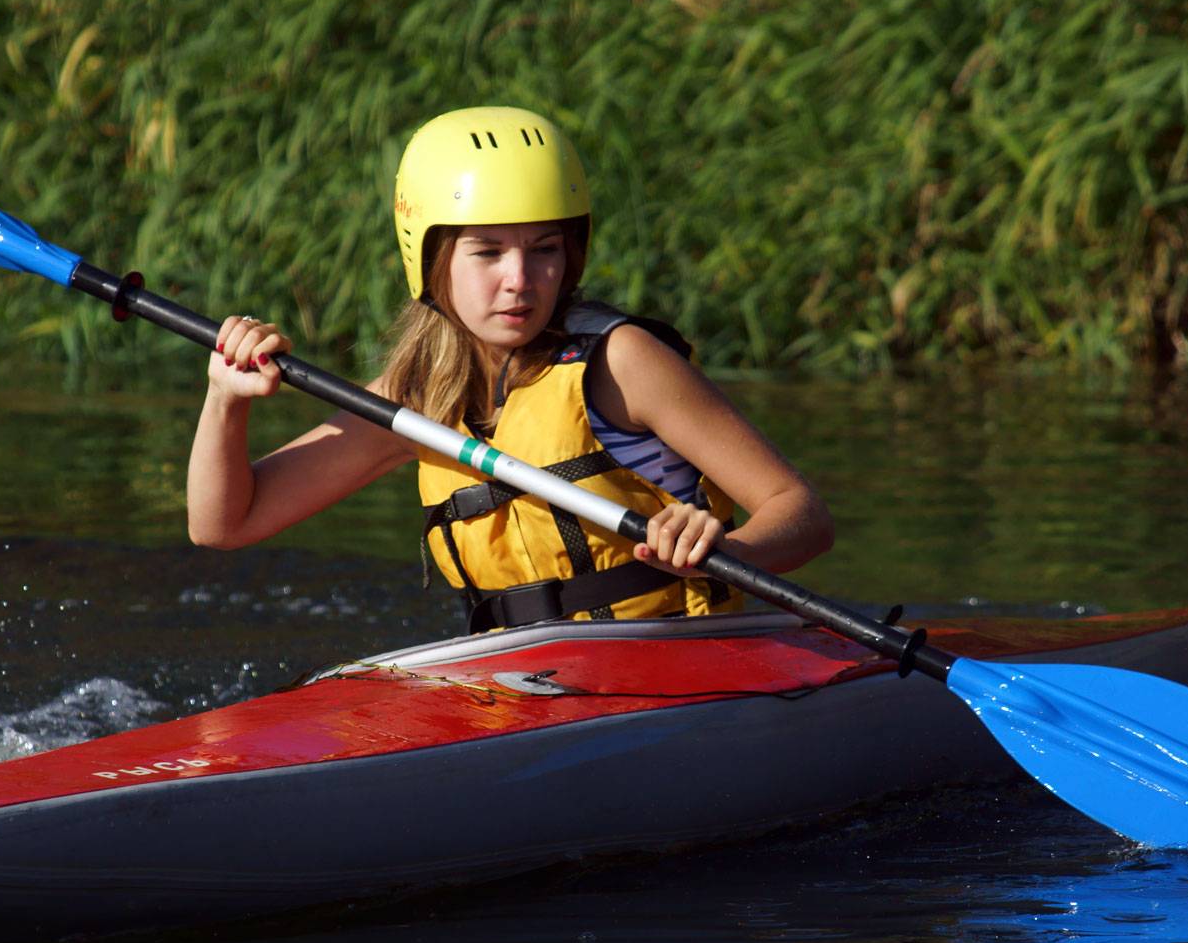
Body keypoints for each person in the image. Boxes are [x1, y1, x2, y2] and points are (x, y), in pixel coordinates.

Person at [187, 106, 832, 632]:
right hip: (521, 688)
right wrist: (226, 401)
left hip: (680, 665)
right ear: (433, 257)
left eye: (544, 249)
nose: (520, 281)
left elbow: (801, 512)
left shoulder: (620, 362)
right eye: (488, 252)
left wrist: (721, 552)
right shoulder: (412, 402)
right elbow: (224, 524)